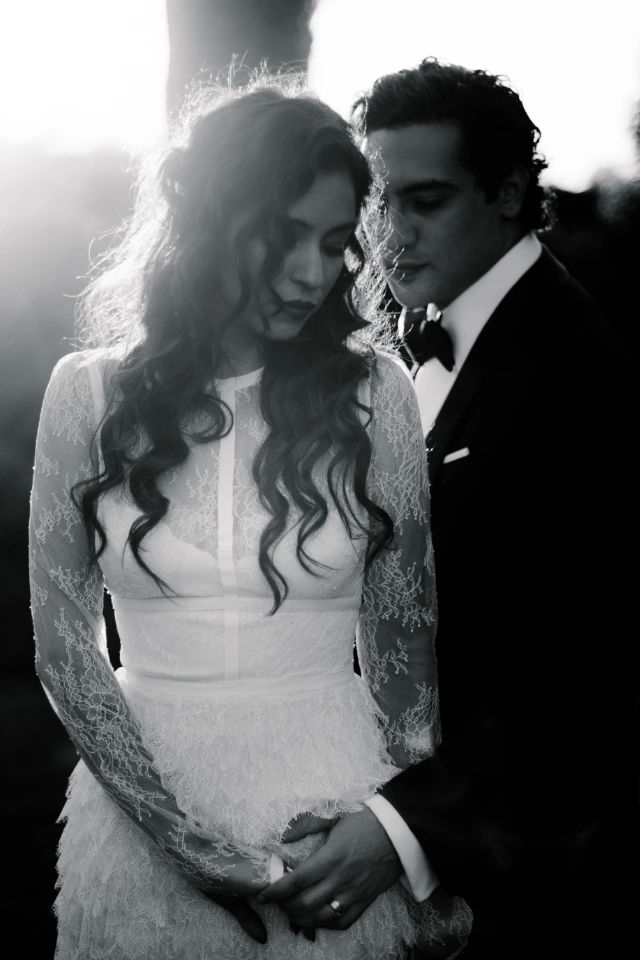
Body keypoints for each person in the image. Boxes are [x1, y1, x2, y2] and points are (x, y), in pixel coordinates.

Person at [29, 73, 471, 959]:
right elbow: (66, 647)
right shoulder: (87, 393)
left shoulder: (376, 394)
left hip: (334, 820)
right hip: (140, 828)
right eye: (283, 238)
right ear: (208, 223)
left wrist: (404, 843)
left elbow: (402, 644)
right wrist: (184, 842)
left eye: (336, 243)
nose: (314, 273)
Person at [259, 59, 639, 959]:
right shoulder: (404, 343)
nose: (390, 235)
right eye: (378, 205)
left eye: (424, 202)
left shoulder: (574, 376)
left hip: (523, 885)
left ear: (509, 194)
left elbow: (576, 672)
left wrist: (404, 828)